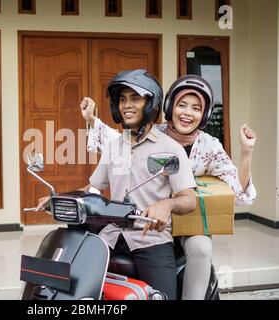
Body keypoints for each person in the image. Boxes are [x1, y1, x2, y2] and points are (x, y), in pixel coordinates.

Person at [80, 74, 257, 300]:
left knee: (201, 249)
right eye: (181, 105)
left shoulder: (208, 146)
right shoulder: (152, 131)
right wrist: (92, 119)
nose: (187, 113)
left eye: (195, 108)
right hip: (140, 219)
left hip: (184, 216)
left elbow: (239, 192)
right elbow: (119, 141)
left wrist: (246, 152)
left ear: (204, 115)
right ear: (169, 107)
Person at [37, 69, 197, 300]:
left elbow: (188, 198)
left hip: (149, 238)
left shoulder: (170, 149)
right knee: (71, 288)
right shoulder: (114, 146)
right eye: (122, 99)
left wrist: (167, 204)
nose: (126, 105)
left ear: (150, 103)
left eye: (135, 98)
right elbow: (93, 189)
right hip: (110, 235)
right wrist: (58, 197)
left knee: (163, 297)